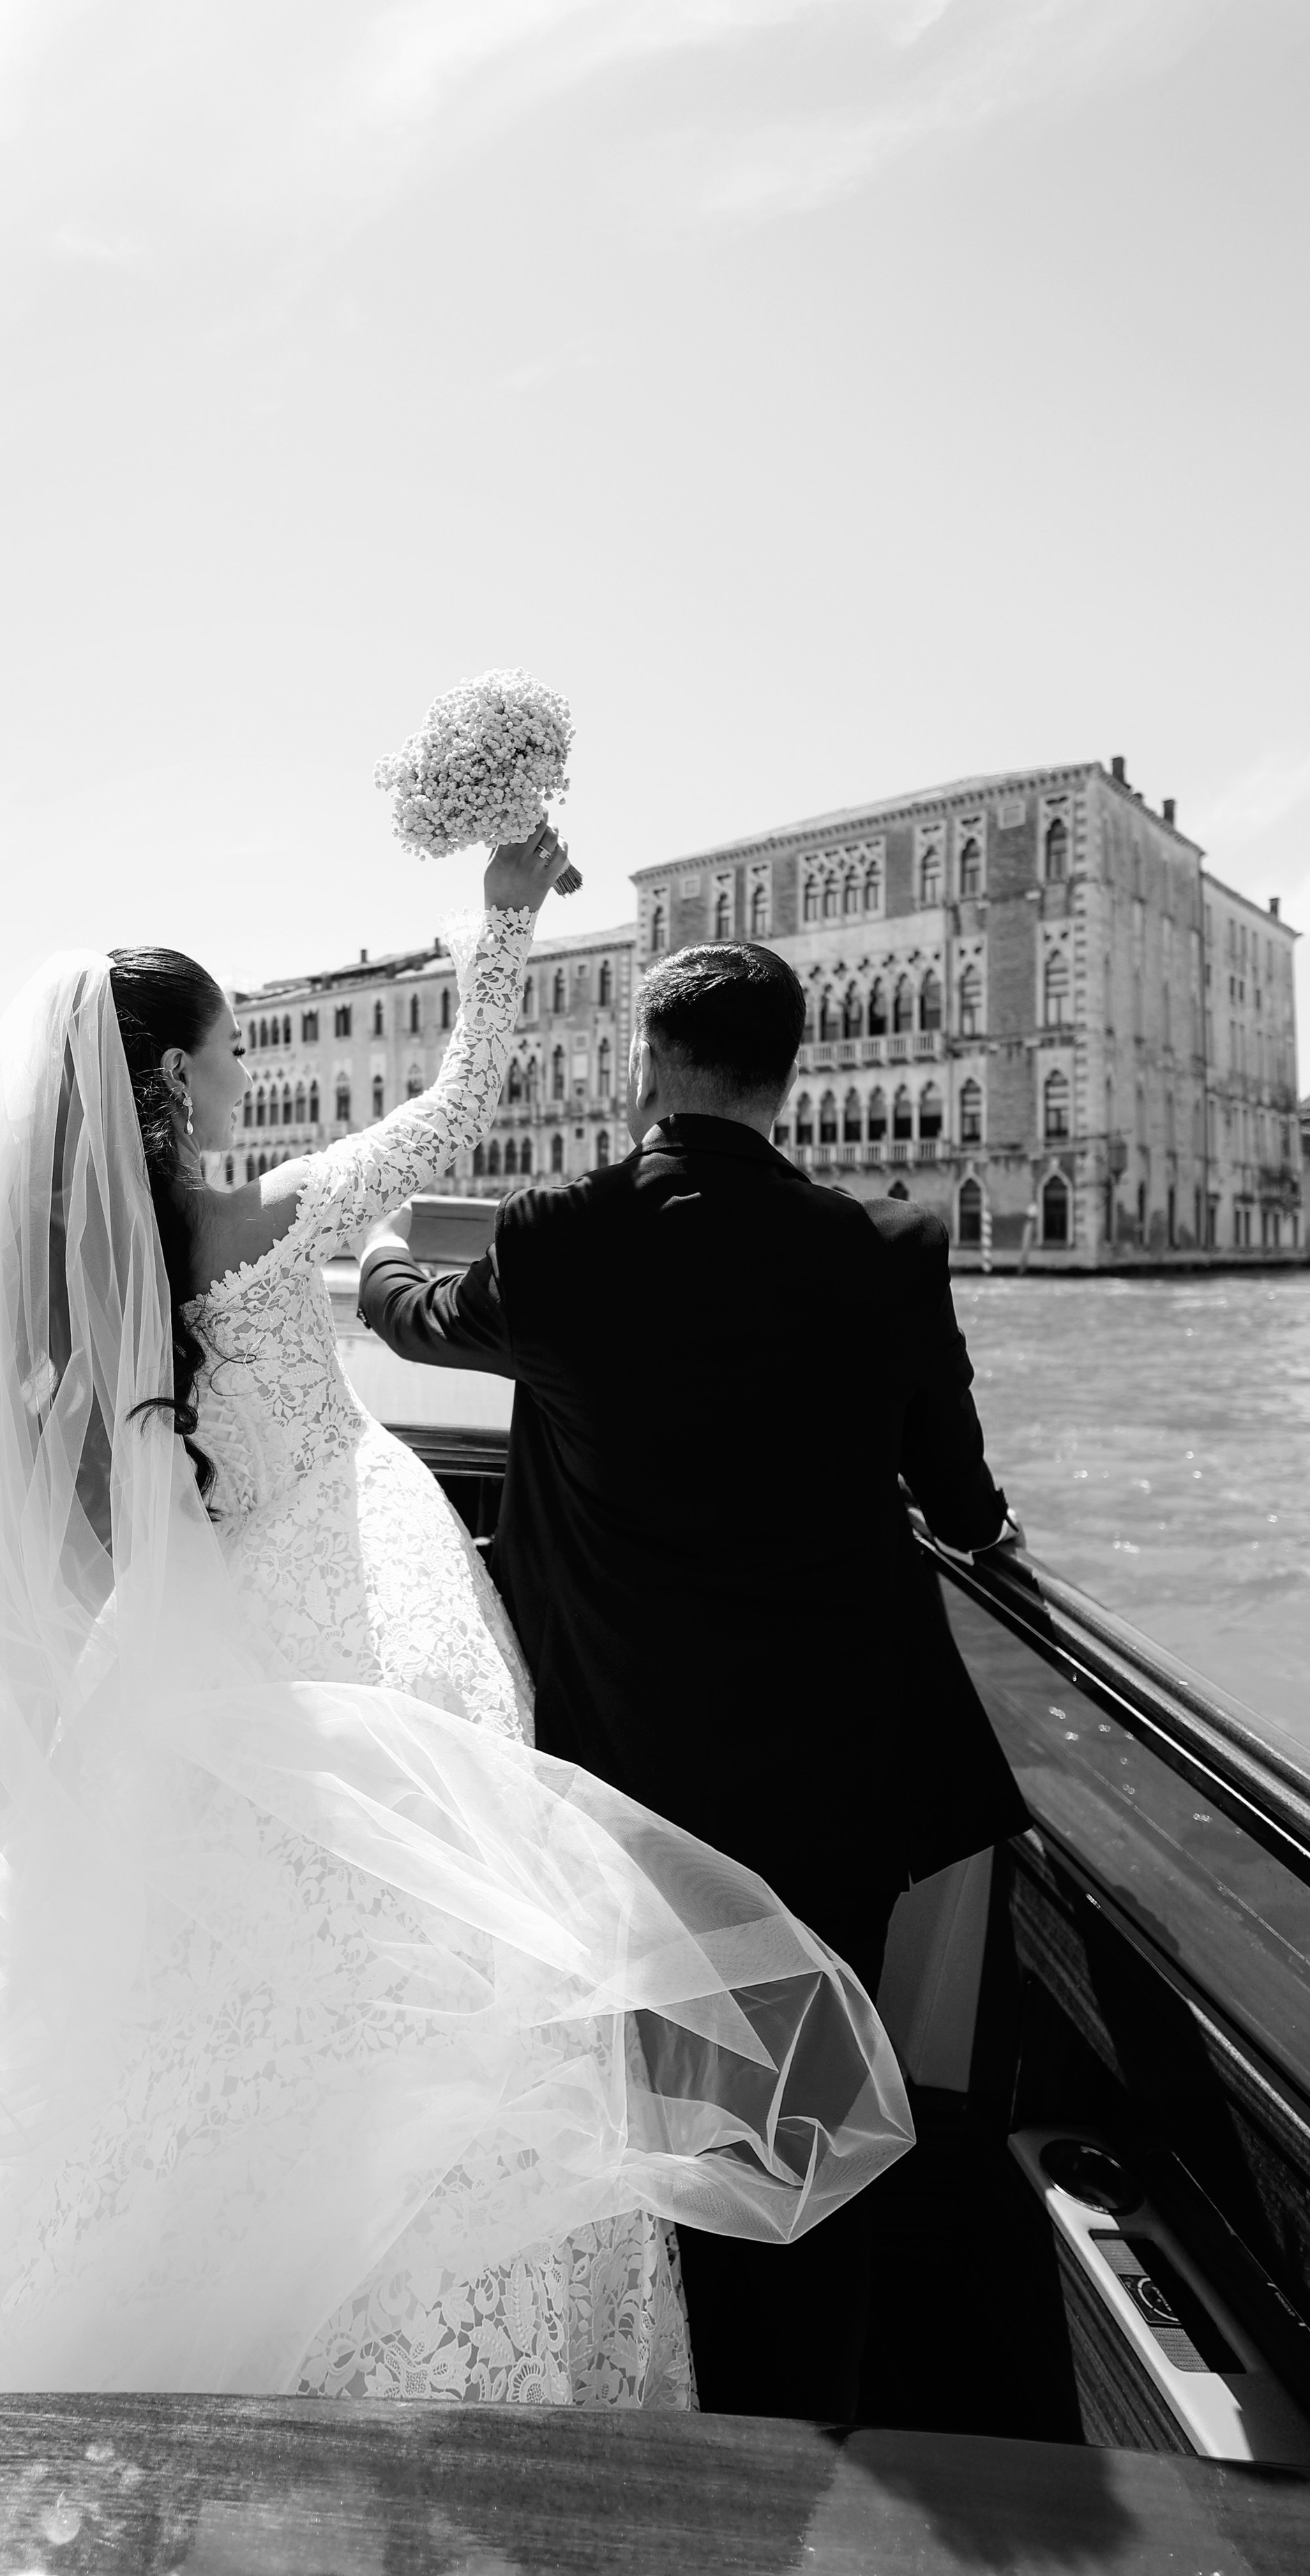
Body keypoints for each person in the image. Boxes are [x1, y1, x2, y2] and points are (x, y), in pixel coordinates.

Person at [0, 857, 911, 2401]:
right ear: (170, 1080)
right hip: (367, 1610)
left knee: (183, 2014)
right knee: (445, 1956)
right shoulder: (265, 1223)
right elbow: (460, 1102)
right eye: (228, 1055)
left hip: (193, 1640)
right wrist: (501, 910)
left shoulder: (80, 1280)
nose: (246, 1076)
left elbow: (78, 1514)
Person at [356, 937, 1030, 2424]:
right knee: (812, 2081)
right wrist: (990, 1539)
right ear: (792, 1077)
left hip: (625, 1758)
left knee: (638, 2063)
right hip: (836, 1753)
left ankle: (657, 2364)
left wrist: (386, 1252)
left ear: (640, 1066)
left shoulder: (559, 1240)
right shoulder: (888, 1247)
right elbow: (957, 1486)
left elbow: (406, 1316)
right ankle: (801, 2395)